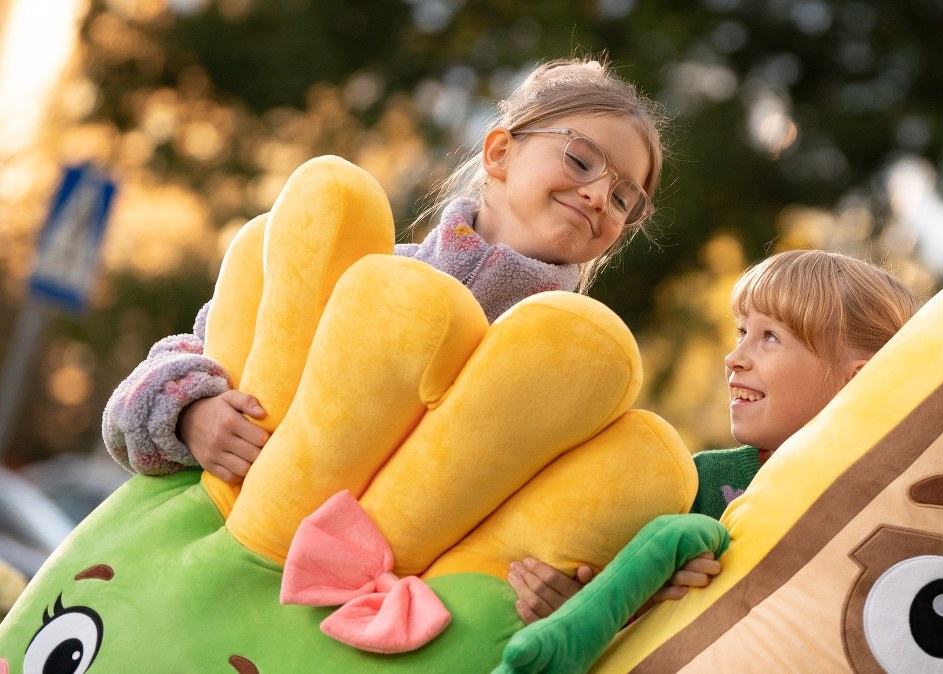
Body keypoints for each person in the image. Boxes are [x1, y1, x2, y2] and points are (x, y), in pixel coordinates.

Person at [102, 57, 668, 483]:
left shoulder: (573, 374)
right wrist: (190, 413)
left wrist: (555, 584)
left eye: (624, 199)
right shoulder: (360, 271)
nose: (598, 195)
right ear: (499, 154)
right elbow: (156, 380)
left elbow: (555, 510)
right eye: (580, 159)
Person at [506, 248, 917, 623]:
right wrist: (595, 608)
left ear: (856, 382)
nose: (734, 358)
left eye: (769, 337)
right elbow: (620, 613)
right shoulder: (697, 483)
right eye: (742, 332)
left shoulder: (896, 504)